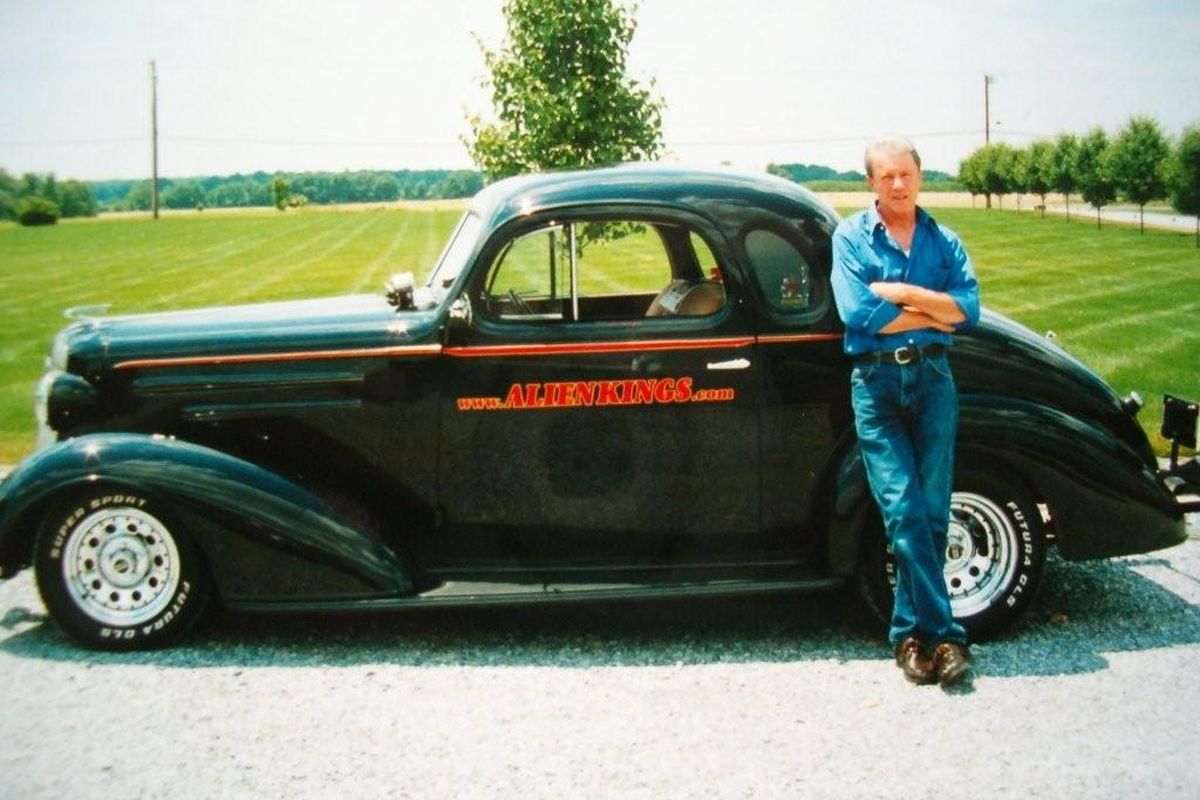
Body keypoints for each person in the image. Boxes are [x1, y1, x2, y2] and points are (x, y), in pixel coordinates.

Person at [830, 136, 980, 686]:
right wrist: (933, 313)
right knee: (903, 511)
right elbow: (858, 312)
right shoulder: (850, 237)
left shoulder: (944, 239)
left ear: (920, 176)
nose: (898, 184)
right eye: (886, 176)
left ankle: (910, 636)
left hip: (935, 381)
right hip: (876, 385)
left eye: (906, 174)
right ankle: (947, 637)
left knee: (935, 512)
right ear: (871, 182)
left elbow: (969, 310)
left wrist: (901, 291)